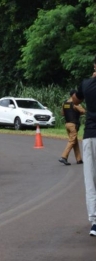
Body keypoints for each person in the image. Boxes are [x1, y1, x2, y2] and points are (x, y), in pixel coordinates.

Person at [71, 55, 96, 236]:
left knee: (91, 180)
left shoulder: (87, 84)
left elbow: (75, 100)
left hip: (91, 135)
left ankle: (95, 222)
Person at [59, 89, 85, 165]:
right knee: (71, 141)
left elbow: (62, 113)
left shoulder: (65, 103)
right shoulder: (75, 103)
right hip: (73, 125)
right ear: (74, 95)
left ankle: (79, 159)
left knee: (74, 141)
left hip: (67, 125)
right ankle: (63, 157)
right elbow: (83, 111)